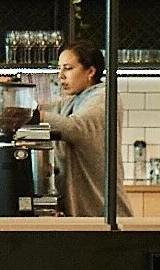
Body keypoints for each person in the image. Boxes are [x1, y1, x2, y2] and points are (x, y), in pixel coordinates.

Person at [41, 40, 131, 218]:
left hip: (102, 214)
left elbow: (76, 128)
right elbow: (47, 111)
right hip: (84, 214)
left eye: (68, 68)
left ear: (90, 71)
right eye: (60, 69)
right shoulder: (75, 100)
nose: (61, 76)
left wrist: (38, 116)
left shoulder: (104, 97)